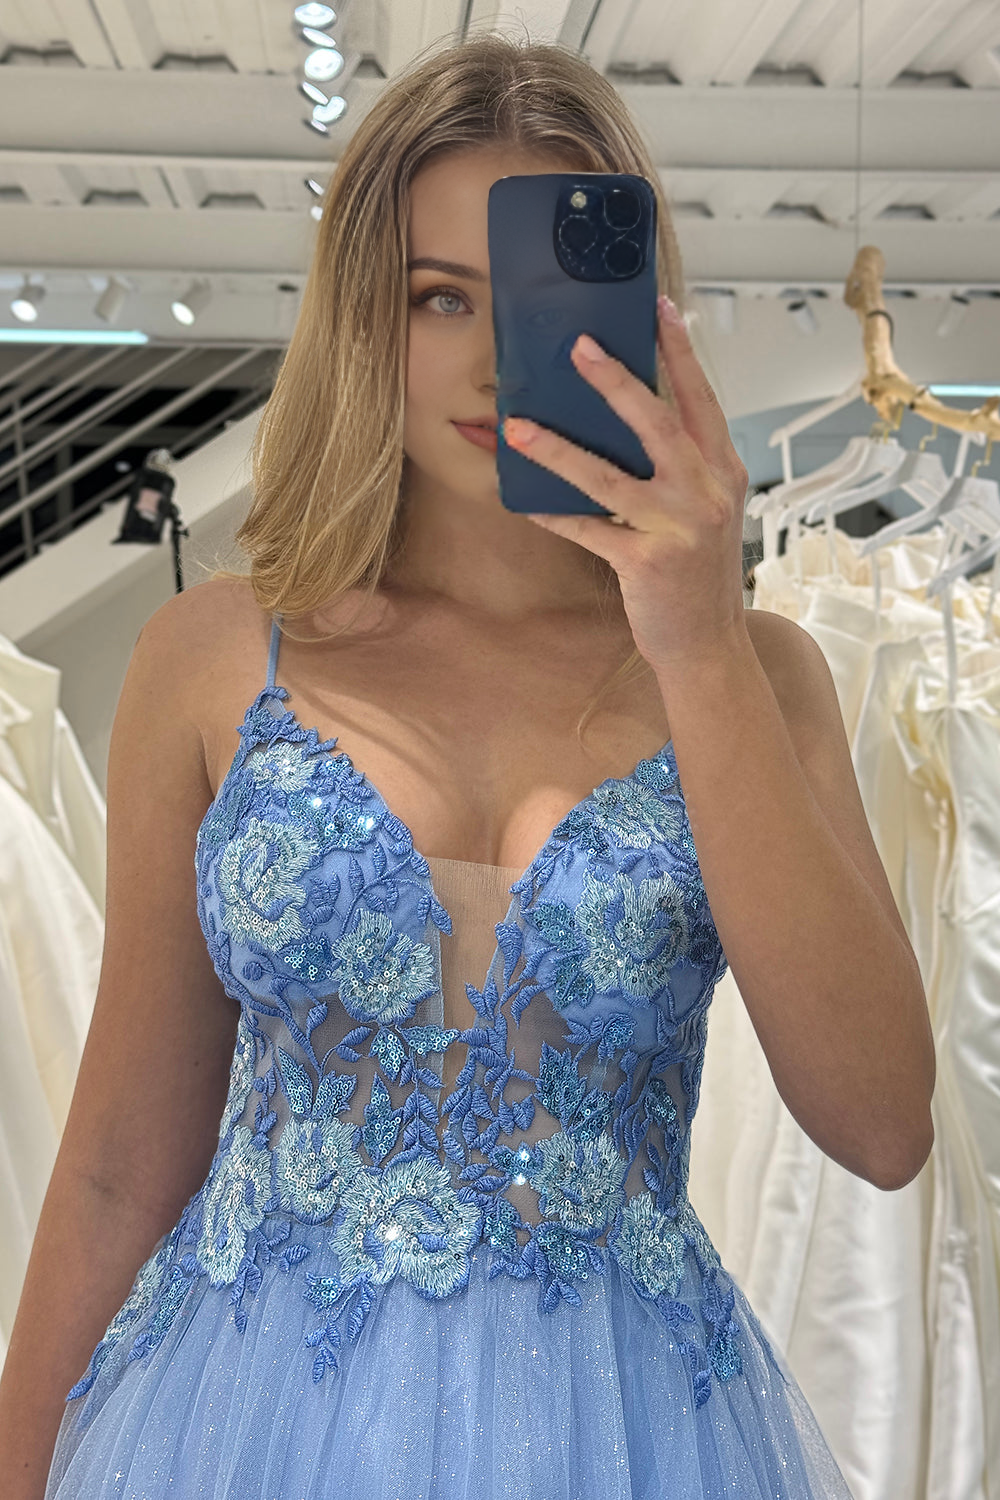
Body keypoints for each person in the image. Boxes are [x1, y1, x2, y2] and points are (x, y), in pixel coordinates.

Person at [0, 33, 935, 1500]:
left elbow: (881, 1125)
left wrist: (697, 639)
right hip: (245, 1426)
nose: (496, 357)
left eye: (547, 300)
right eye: (440, 296)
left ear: (638, 314)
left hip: (624, 1435)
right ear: (363, 319)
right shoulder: (215, 658)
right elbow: (120, 1163)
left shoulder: (756, 676)